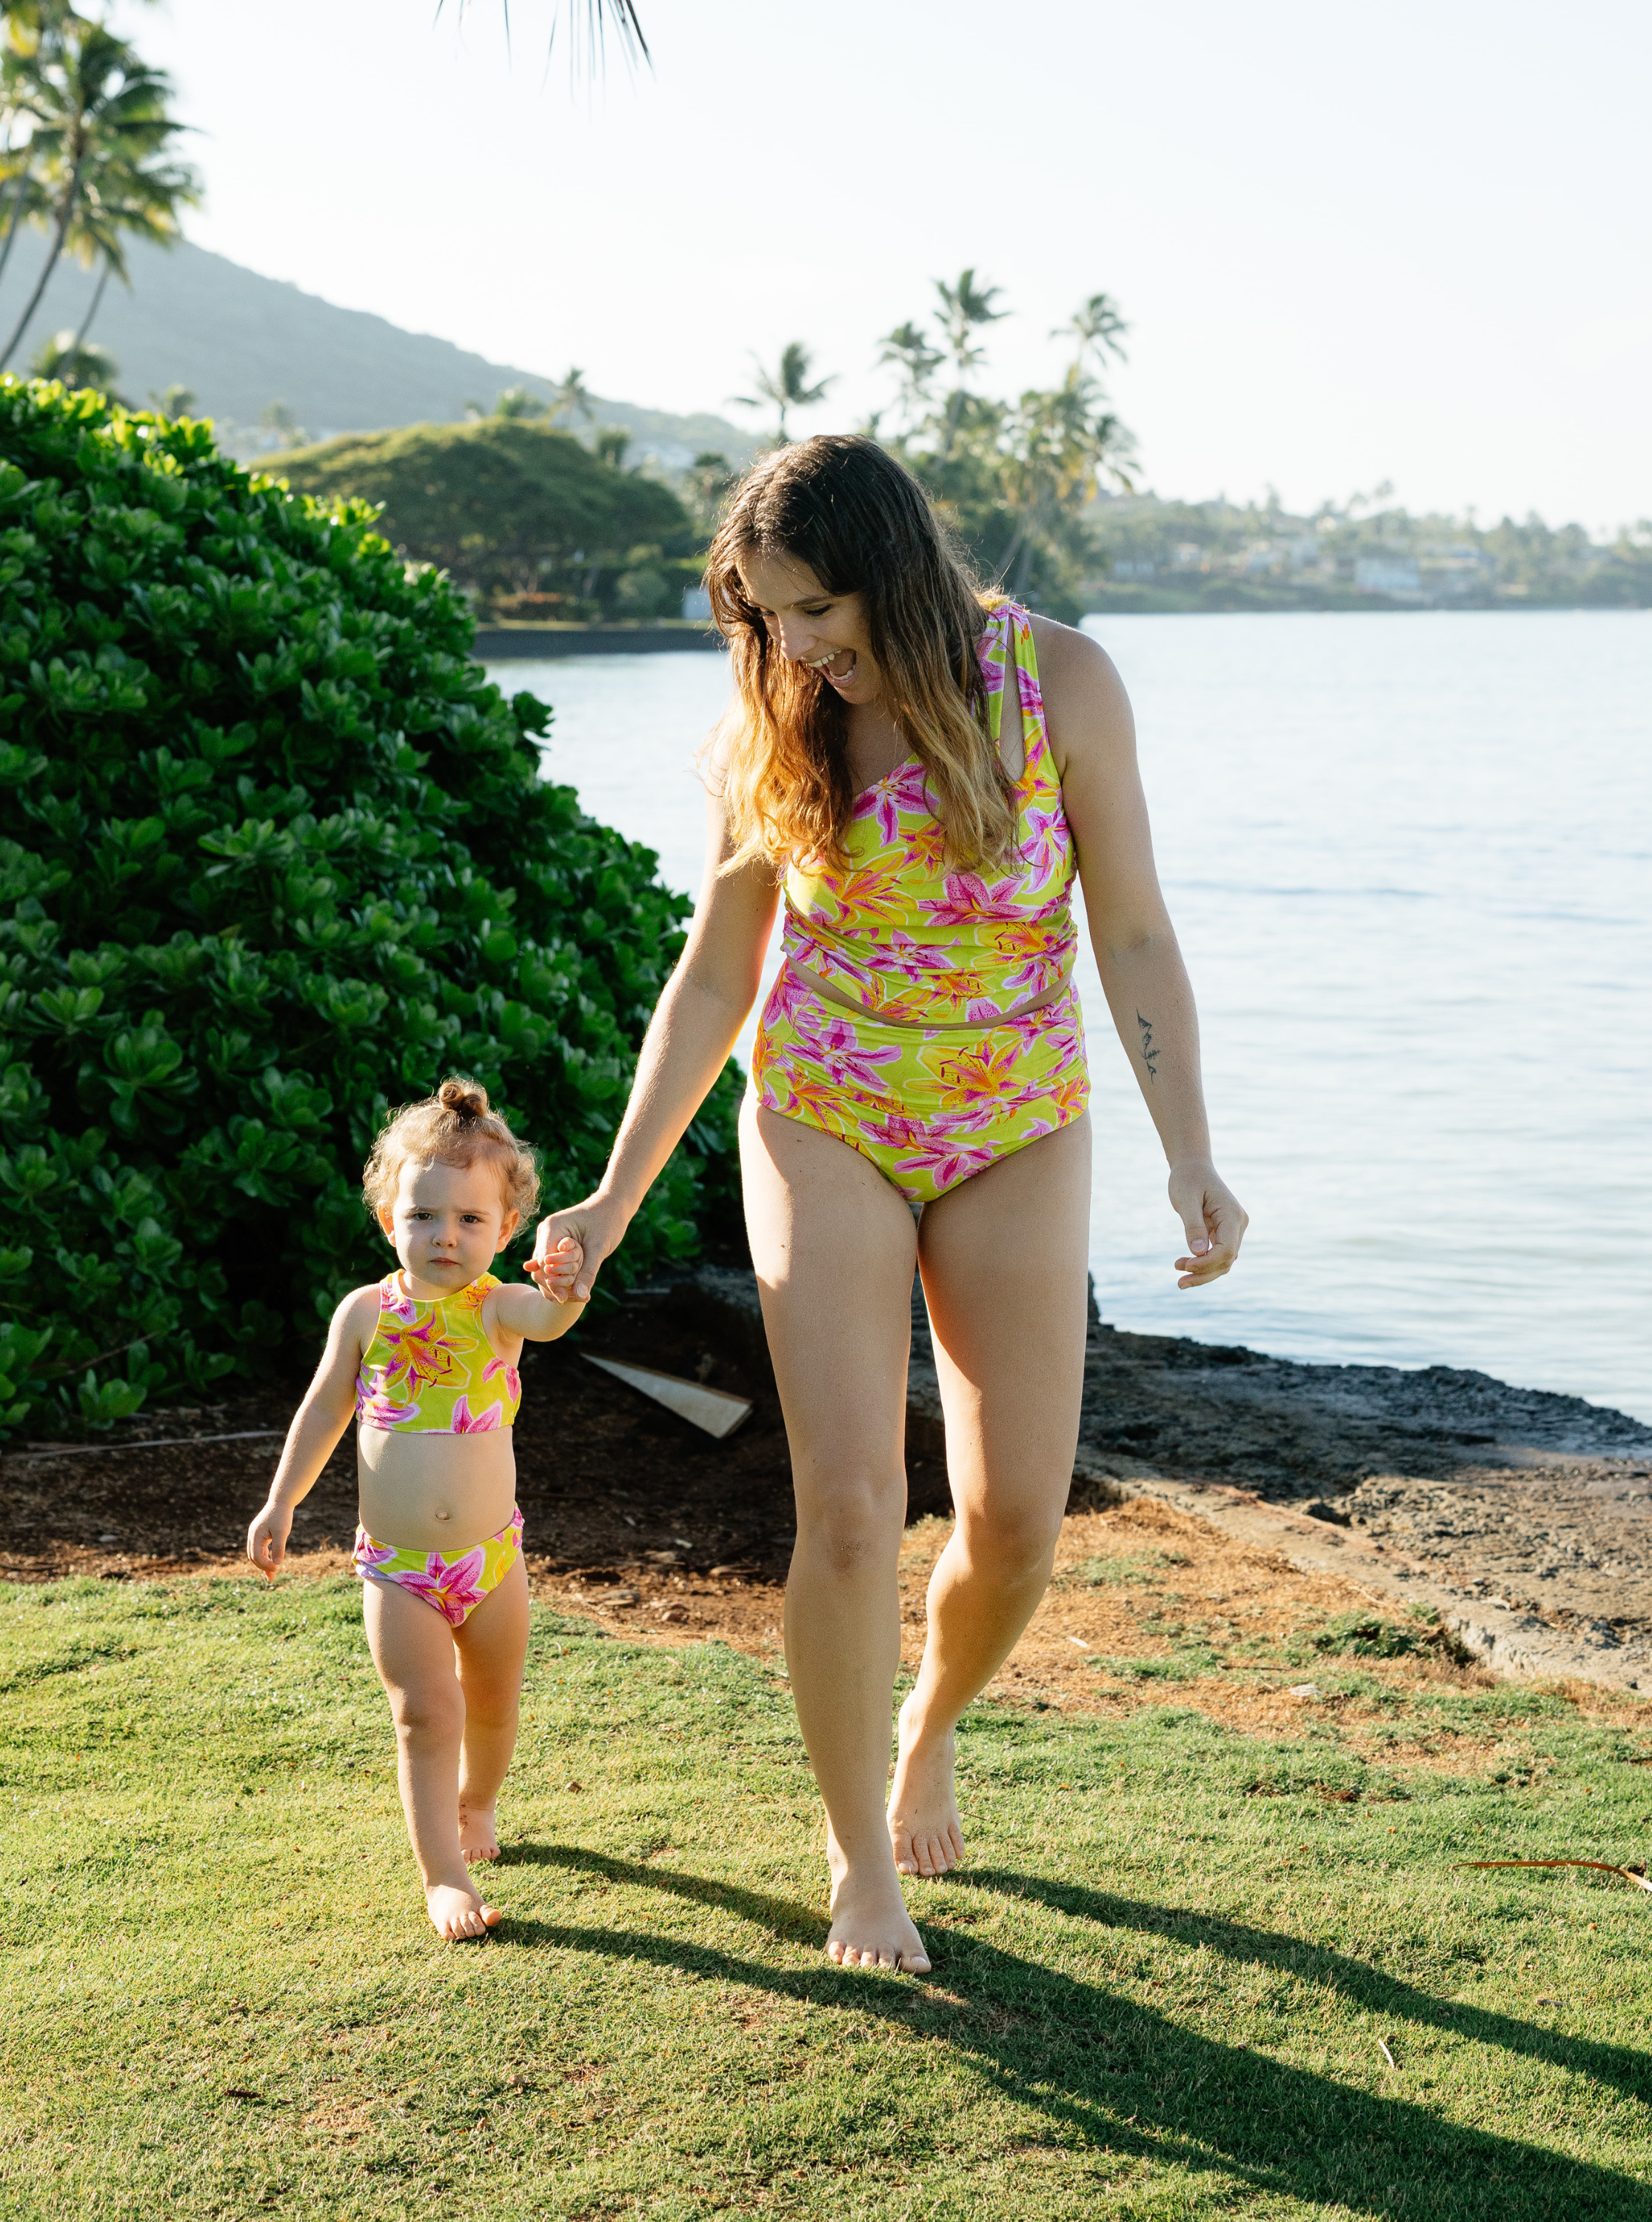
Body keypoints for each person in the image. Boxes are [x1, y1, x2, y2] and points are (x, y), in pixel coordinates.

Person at [532, 436, 1248, 1973]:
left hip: (1017, 1123)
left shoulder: (1060, 685)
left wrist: (1190, 1148)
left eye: (815, 610)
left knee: (1013, 1524)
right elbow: (717, 974)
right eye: (767, 616)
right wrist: (609, 1196)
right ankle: (863, 1863)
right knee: (851, 1510)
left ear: (900, 575)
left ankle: (930, 1726)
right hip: (828, 1115)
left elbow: (1128, 928)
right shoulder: (782, 714)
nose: (795, 646)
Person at [247, 1079, 584, 1941]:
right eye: (424, 1216)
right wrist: (282, 1499)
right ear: (388, 1219)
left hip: (492, 1561)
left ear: (505, 1232)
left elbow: (550, 1318)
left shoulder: (499, 1309)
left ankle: (477, 1806)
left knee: (495, 1705)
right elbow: (325, 1411)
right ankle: (443, 1872)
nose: (445, 1236)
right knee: (425, 1713)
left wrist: (569, 1281)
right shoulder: (367, 1314)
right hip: (398, 1569)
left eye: (470, 1221)